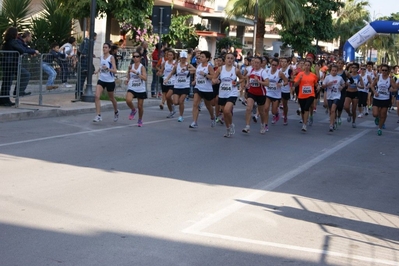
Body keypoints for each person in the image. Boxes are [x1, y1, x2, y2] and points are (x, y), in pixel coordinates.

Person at [213, 52, 245, 137]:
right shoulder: (220, 69)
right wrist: (215, 81)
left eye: (231, 58)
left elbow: (242, 78)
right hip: (223, 93)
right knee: (225, 113)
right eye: (228, 58)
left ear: (234, 60)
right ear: (225, 60)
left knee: (227, 110)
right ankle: (228, 129)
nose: (230, 60)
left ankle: (231, 125)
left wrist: (237, 82)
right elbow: (214, 78)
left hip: (232, 93)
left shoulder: (236, 70)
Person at [163, 51, 195, 122]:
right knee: (175, 102)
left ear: (186, 58)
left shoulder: (188, 65)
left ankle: (181, 116)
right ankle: (176, 109)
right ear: (180, 58)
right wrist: (167, 79)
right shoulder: (176, 66)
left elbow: (195, 70)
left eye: (184, 58)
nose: (183, 59)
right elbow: (172, 73)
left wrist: (187, 69)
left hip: (185, 86)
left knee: (181, 101)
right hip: (177, 86)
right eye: (182, 58)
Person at [92, 42, 119, 122]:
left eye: (106, 47)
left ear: (109, 49)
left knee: (111, 98)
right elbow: (101, 66)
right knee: (97, 96)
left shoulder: (111, 58)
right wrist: (97, 71)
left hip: (110, 81)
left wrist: (108, 69)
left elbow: (115, 71)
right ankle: (98, 115)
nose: (104, 49)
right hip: (102, 80)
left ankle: (116, 111)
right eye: (103, 47)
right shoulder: (101, 57)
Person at [189, 51, 216, 128]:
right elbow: (197, 75)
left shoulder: (209, 66)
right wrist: (194, 81)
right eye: (200, 56)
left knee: (208, 106)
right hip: (198, 87)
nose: (200, 58)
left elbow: (213, 76)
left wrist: (205, 74)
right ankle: (194, 122)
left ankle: (212, 117)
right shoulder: (198, 65)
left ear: (207, 58)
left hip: (207, 89)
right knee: (195, 104)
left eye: (203, 57)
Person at [0, 27, 26, 106]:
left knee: (6, 82)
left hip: (7, 63)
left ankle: (4, 99)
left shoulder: (6, 41)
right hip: (11, 63)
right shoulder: (13, 42)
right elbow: (21, 50)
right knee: (8, 82)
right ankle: (5, 100)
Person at [242, 56, 268, 134]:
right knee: (248, 108)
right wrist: (247, 83)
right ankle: (247, 127)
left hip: (261, 94)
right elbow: (248, 77)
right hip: (252, 92)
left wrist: (259, 81)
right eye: (254, 62)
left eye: (257, 63)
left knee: (261, 111)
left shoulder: (263, 72)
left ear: (261, 64)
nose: (255, 64)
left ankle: (263, 125)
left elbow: (267, 83)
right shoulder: (251, 70)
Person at [370, 64, 397, 136]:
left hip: (385, 99)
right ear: (380, 70)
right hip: (377, 98)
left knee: (383, 114)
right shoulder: (378, 78)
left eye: (385, 70)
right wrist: (375, 92)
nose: (384, 72)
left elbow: (396, 88)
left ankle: (379, 128)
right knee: (375, 114)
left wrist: (392, 89)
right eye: (383, 70)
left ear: (388, 71)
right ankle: (377, 118)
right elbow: (372, 86)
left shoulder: (390, 79)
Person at [293, 60, 319, 132]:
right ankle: (304, 119)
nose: (307, 66)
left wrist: (318, 86)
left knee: (306, 108)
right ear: (303, 66)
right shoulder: (300, 74)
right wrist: (299, 80)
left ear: (310, 67)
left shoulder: (313, 75)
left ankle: (304, 125)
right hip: (301, 95)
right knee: (303, 109)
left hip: (310, 94)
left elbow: (316, 84)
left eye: (308, 65)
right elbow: (295, 85)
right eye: (306, 65)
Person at [125, 51, 147, 127]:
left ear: (140, 58)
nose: (135, 58)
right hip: (132, 86)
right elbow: (129, 74)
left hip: (140, 88)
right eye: (134, 56)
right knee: (128, 100)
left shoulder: (142, 67)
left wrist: (137, 73)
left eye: (137, 56)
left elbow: (145, 78)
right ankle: (133, 110)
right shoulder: (131, 66)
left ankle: (140, 119)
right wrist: (127, 79)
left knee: (140, 106)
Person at [15, 31, 40, 97]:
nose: (31, 38)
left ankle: (18, 92)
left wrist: (32, 52)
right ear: (27, 36)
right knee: (26, 74)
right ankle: (19, 92)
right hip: (14, 62)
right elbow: (23, 50)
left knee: (23, 75)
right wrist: (34, 51)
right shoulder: (19, 42)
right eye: (30, 36)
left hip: (16, 62)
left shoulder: (21, 42)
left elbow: (26, 49)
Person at [322, 64, 345, 132]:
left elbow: (344, 83)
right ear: (330, 71)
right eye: (332, 70)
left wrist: (342, 87)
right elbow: (323, 86)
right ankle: (333, 121)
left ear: (337, 71)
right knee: (331, 111)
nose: (334, 72)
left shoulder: (339, 78)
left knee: (333, 109)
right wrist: (327, 85)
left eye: (335, 71)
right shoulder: (327, 77)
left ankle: (331, 125)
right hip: (329, 96)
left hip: (337, 96)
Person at [344, 62, 364, 128]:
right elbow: (344, 83)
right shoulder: (348, 75)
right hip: (348, 92)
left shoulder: (359, 77)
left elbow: (363, 86)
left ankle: (354, 121)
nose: (354, 69)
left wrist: (357, 85)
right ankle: (349, 114)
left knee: (354, 109)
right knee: (346, 106)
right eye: (352, 67)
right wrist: (346, 84)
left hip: (355, 92)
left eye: (355, 68)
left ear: (357, 69)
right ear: (351, 68)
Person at [78, 32, 97, 98]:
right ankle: (80, 92)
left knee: (82, 78)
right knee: (83, 77)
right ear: (93, 37)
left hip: (85, 61)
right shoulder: (89, 41)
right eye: (95, 37)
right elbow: (85, 50)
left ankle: (79, 92)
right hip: (85, 62)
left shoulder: (86, 40)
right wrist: (87, 55)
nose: (96, 38)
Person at [160, 50, 176, 117]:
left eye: (171, 55)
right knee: (167, 99)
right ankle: (171, 111)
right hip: (165, 81)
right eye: (168, 55)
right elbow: (162, 70)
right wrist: (159, 73)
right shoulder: (165, 63)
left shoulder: (175, 63)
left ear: (173, 56)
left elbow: (175, 71)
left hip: (173, 81)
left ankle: (173, 106)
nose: (169, 56)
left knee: (168, 96)